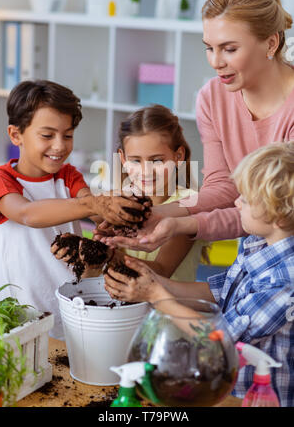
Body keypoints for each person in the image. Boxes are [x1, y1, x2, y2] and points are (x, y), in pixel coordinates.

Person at [104, 0, 294, 253]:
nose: (216, 62)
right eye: (209, 47)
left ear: (271, 43)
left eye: (229, 49)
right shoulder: (212, 98)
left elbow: (277, 213)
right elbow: (223, 188)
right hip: (255, 250)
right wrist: (156, 215)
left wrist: (182, 224)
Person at [104, 141, 294, 407]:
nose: (237, 203)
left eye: (247, 199)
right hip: (223, 388)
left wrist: (157, 295)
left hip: (254, 398)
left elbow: (219, 339)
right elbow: (219, 293)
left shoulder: (285, 283)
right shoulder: (258, 243)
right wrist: (155, 280)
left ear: (281, 218)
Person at [0, 80, 145, 339]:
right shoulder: (1, 179)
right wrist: (93, 204)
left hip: (68, 309)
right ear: (16, 134)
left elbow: (96, 210)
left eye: (68, 135)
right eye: (47, 135)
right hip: (15, 317)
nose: (60, 146)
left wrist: (114, 216)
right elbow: (27, 214)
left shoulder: (68, 175)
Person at [95, 104, 209, 281]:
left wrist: (110, 256)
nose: (146, 171)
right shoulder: (119, 201)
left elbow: (162, 271)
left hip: (172, 307)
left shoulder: (190, 204)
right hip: (128, 303)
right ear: (123, 159)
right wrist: (107, 243)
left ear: (178, 156)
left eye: (156, 160)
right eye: (135, 160)